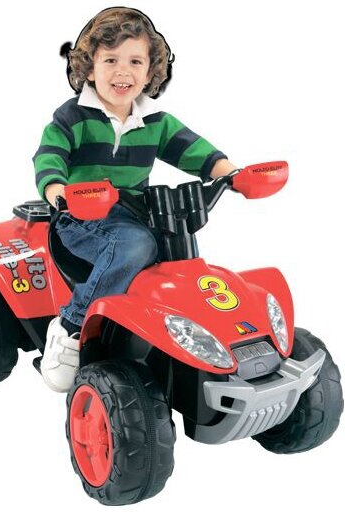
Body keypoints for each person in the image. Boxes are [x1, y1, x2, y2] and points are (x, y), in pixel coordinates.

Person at [33, 6, 237, 392]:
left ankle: (181, 334)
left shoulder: (156, 121)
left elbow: (193, 150)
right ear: (89, 69)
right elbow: (49, 155)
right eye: (110, 60)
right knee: (135, 246)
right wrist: (56, 189)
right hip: (81, 216)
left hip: (135, 212)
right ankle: (72, 325)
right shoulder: (72, 117)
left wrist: (229, 172)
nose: (122, 71)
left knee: (180, 255)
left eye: (135, 61)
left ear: (150, 72)